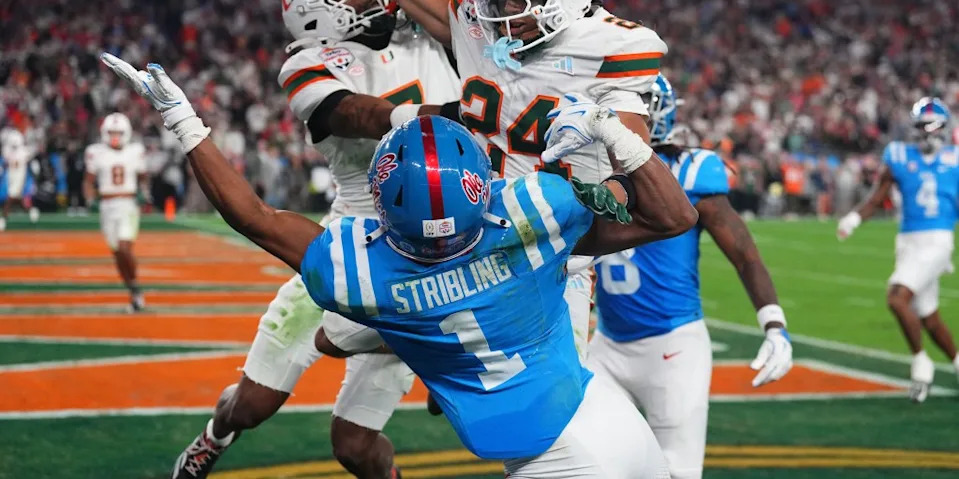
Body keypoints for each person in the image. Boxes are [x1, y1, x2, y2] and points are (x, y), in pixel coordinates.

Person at [102, 52, 696, 477]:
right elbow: (672, 217)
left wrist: (185, 122)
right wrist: (609, 130)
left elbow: (254, 216)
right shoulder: (534, 214)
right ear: (482, 187)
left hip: (552, 459)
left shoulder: (363, 277)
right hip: (605, 414)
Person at [303, 0, 670, 358]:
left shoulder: (615, 48)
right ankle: (451, 348)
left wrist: (593, 197)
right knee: (333, 337)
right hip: (463, 239)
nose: (504, 9)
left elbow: (633, 171)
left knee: (543, 422)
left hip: (546, 260)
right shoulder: (491, 28)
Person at [170, 0, 473, 471]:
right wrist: (447, 116)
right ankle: (214, 436)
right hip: (344, 250)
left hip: (428, 253)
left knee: (354, 446)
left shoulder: (420, 31)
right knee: (250, 405)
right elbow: (354, 113)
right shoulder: (307, 63)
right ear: (314, 8)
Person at [585, 76, 793, 479]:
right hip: (607, 346)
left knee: (678, 471)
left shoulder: (691, 170)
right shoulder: (588, 167)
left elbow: (745, 253)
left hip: (673, 349)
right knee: (591, 461)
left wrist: (774, 323)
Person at [837, 97, 959, 403]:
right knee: (927, 315)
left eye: (933, 128)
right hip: (907, 242)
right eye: (922, 128)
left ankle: (921, 362)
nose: (928, 135)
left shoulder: (954, 160)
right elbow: (878, 197)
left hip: (937, 239)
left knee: (897, 297)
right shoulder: (899, 155)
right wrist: (853, 219)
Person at [82, 113, 149, 311]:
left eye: (118, 132)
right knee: (117, 254)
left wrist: (144, 194)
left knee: (124, 247)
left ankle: (136, 287)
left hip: (128, 203)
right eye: (111, 132)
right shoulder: (96, 152)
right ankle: (133, 290)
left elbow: (143, 177)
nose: (115, 136)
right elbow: (88, 180)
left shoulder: (135, 151)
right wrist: (90, 199)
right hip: (107, 206)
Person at [0, 129, 40, 231]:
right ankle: (30, 210)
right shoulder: (7, 149)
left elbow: (26, 156)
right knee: (16, 196)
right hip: (10, 173)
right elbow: (7, 160)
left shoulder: (23, 151)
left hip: (19, 173)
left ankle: (3, 218)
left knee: (12, 195)